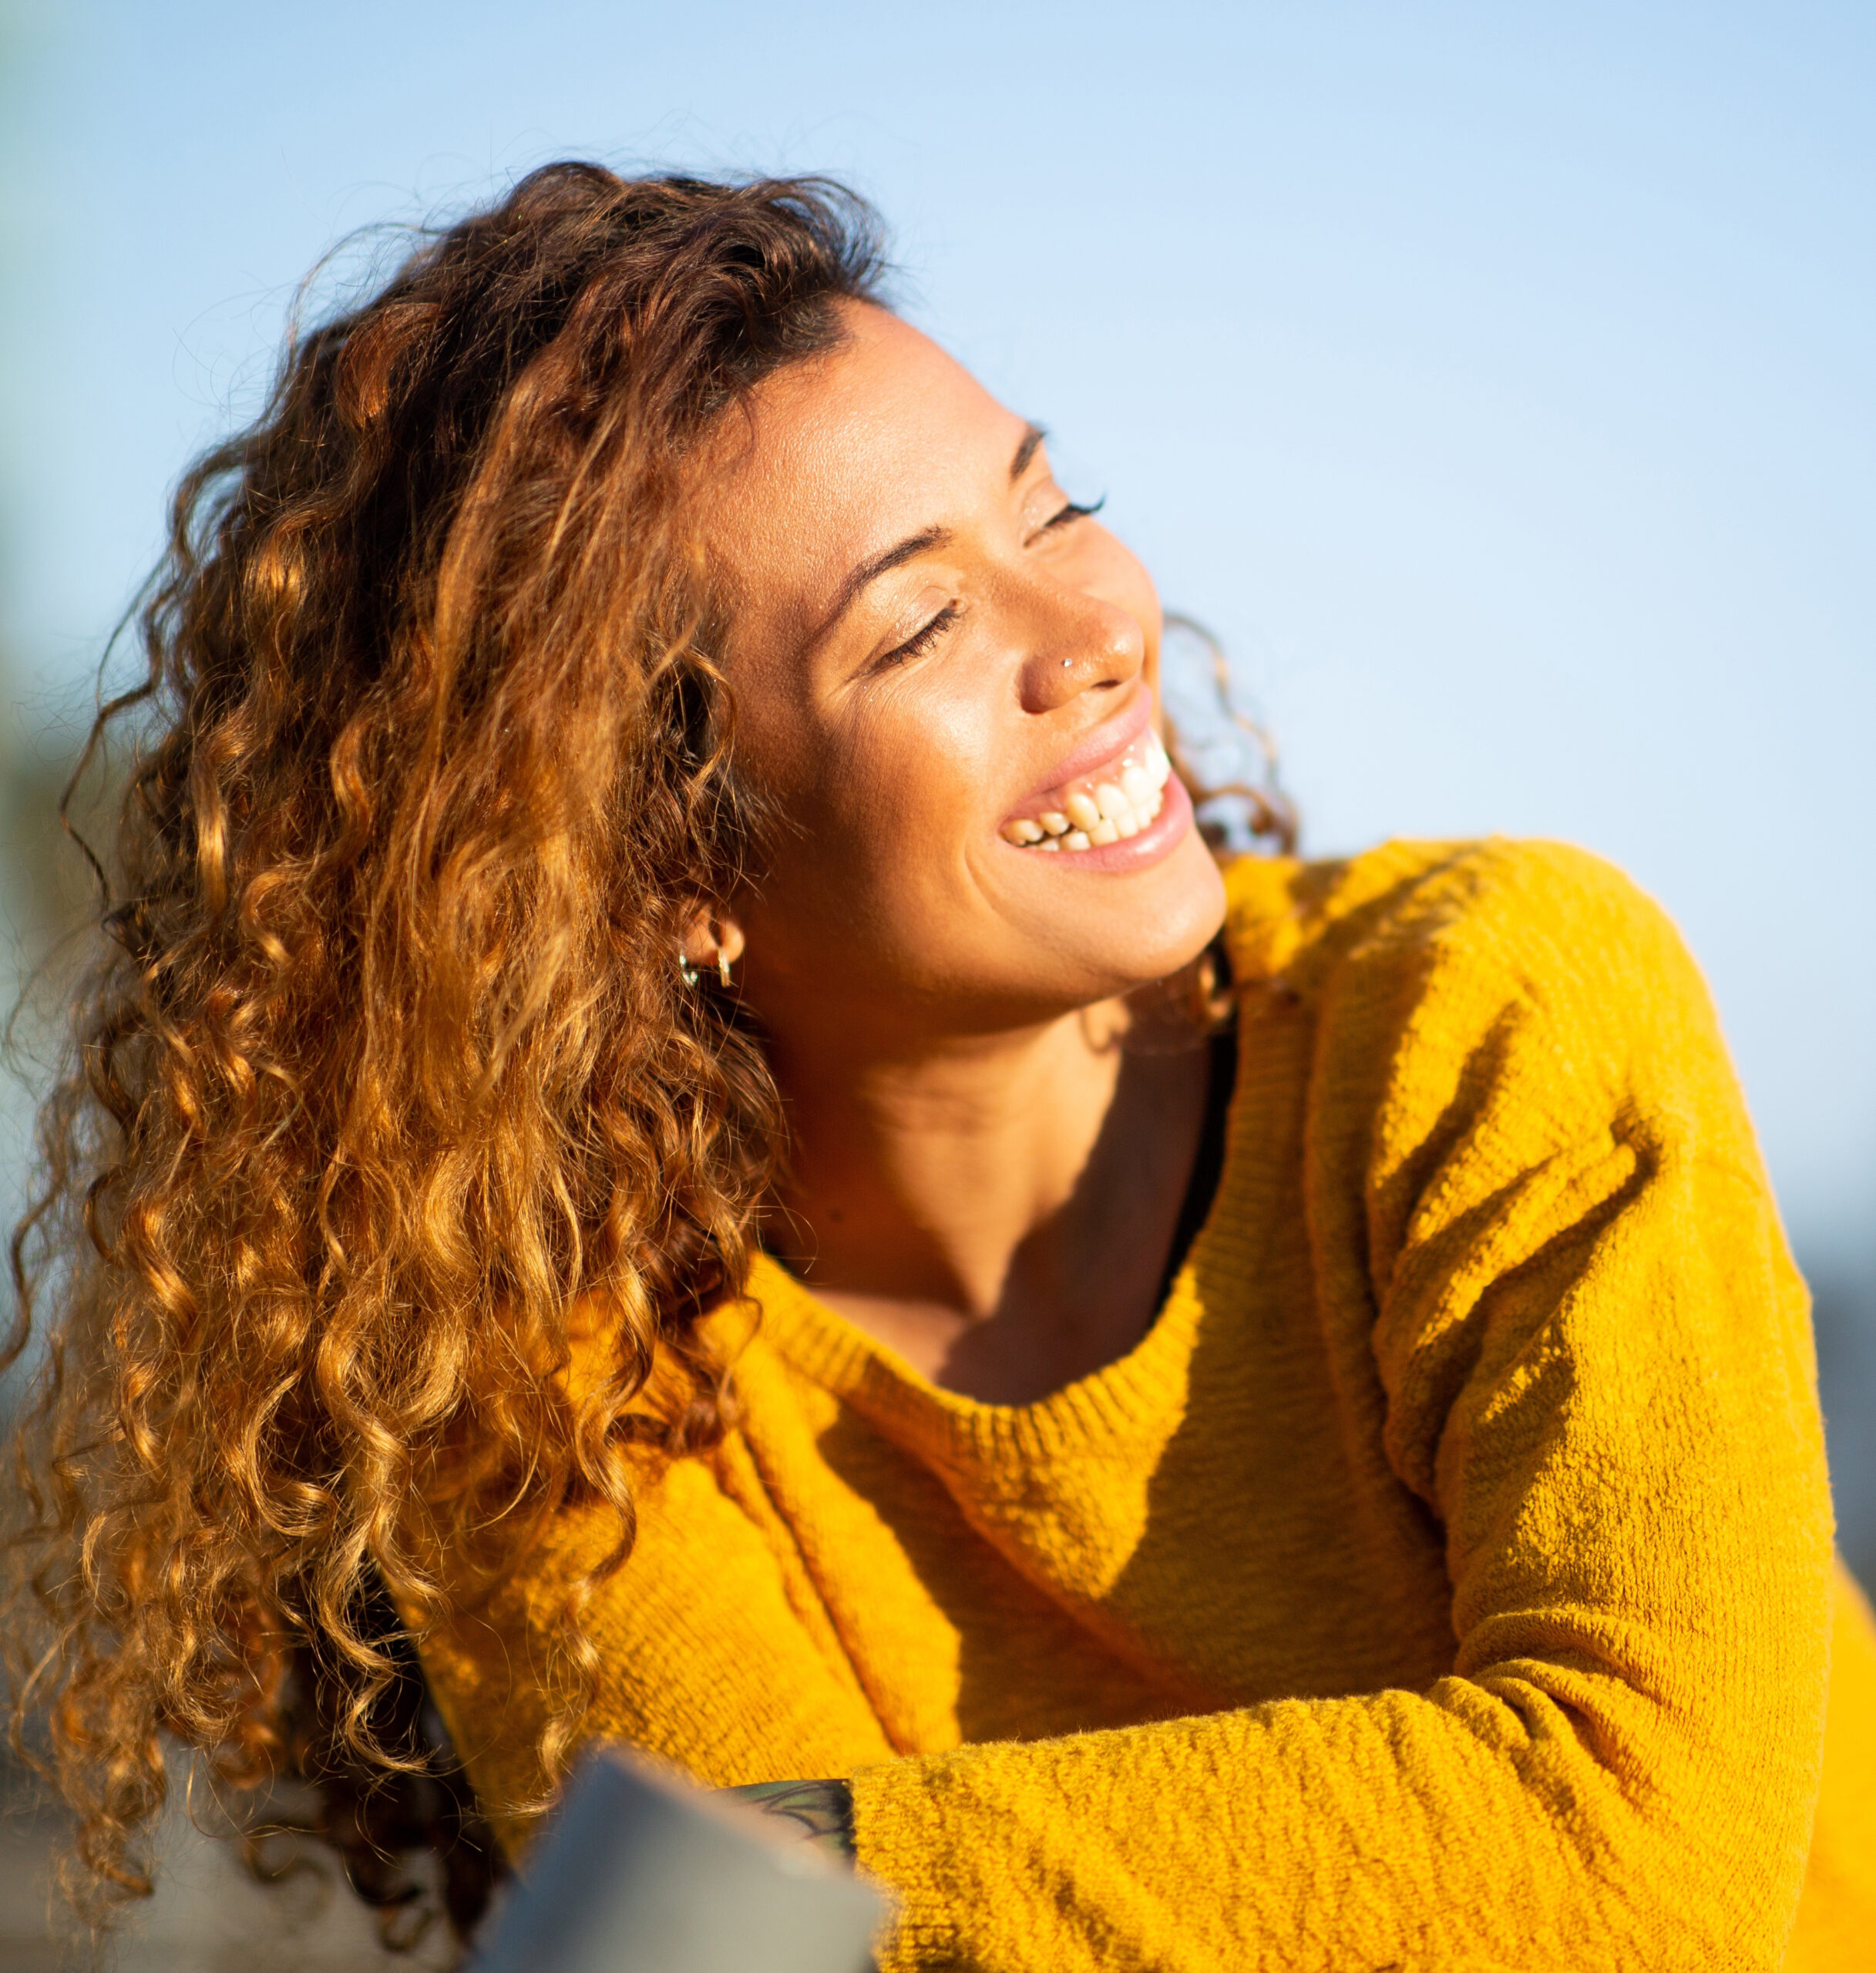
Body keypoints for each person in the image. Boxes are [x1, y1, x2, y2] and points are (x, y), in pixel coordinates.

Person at [6, 162, 1874, 1971]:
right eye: (920, 622)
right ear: (662, 872)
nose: (1094, 634)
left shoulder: (1495, 1004)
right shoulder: (539, 1398)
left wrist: (807, 1865)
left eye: (1051, 508)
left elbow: (1646, 1852)